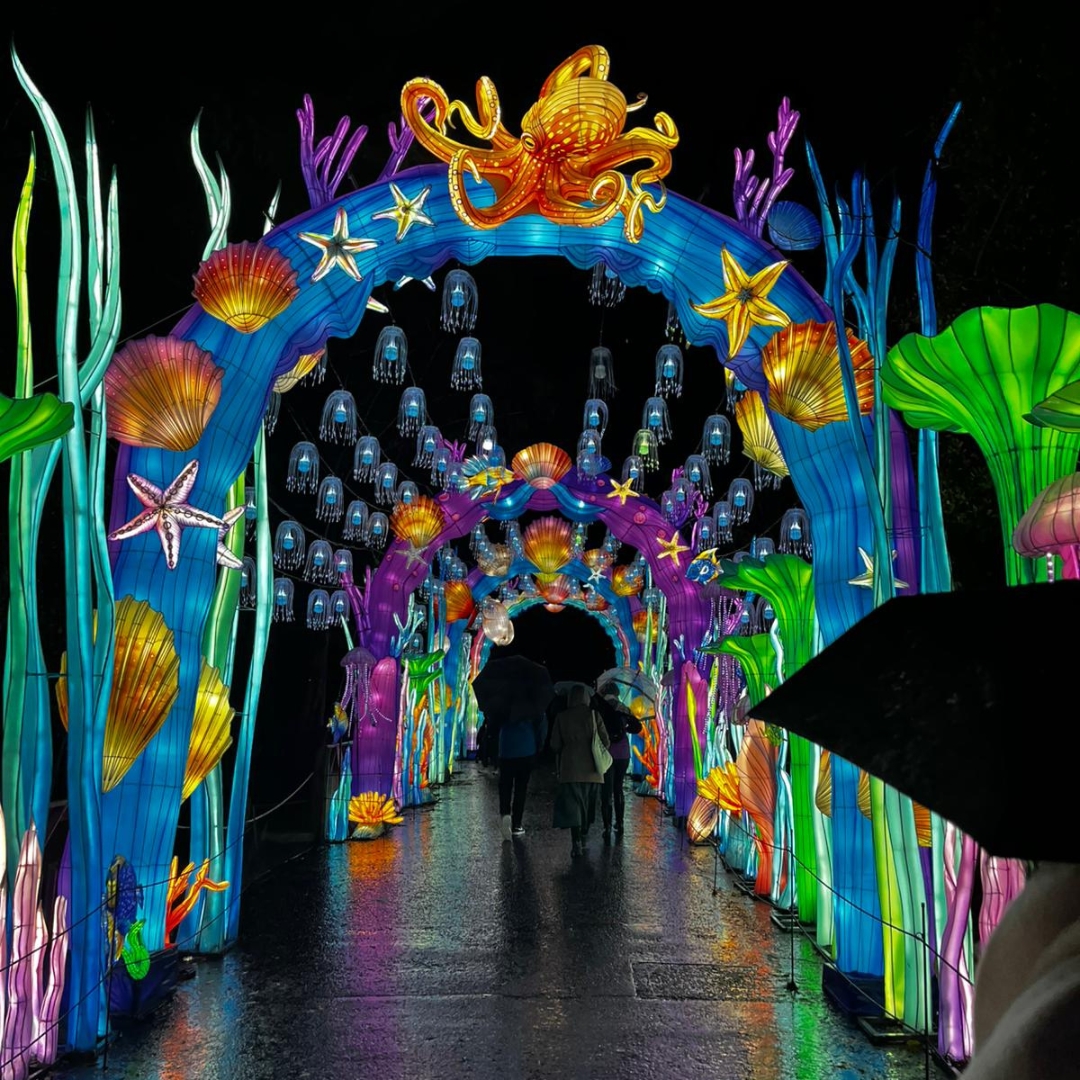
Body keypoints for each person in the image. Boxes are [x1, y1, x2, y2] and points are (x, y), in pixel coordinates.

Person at [550, 683, 610, 858]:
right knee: (588, 805)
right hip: (593, 771)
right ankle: (584, 832)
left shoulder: (562, 717)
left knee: (573, 806)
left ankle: (575, 841)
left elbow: (555, 745)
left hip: (570, 769)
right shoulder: (594, 715)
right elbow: (606, 742)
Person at [591, 689, 641, 842]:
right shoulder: (622, 708)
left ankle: (606, 827)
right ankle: (620, 823)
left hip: (607, 754)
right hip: (623, 754)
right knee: (618, 788)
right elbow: (636, 728)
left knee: (606, 791)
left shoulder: (600, 710)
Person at [497, 699, 547, 841]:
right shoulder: (533, 702)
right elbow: (541, 725)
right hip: (526, 748)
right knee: (521, 788)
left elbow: (494, 721)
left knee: (505, 785)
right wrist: (539, 744)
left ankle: (505, 814)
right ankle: (516, 824)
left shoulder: (503, 700)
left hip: (506, 748)